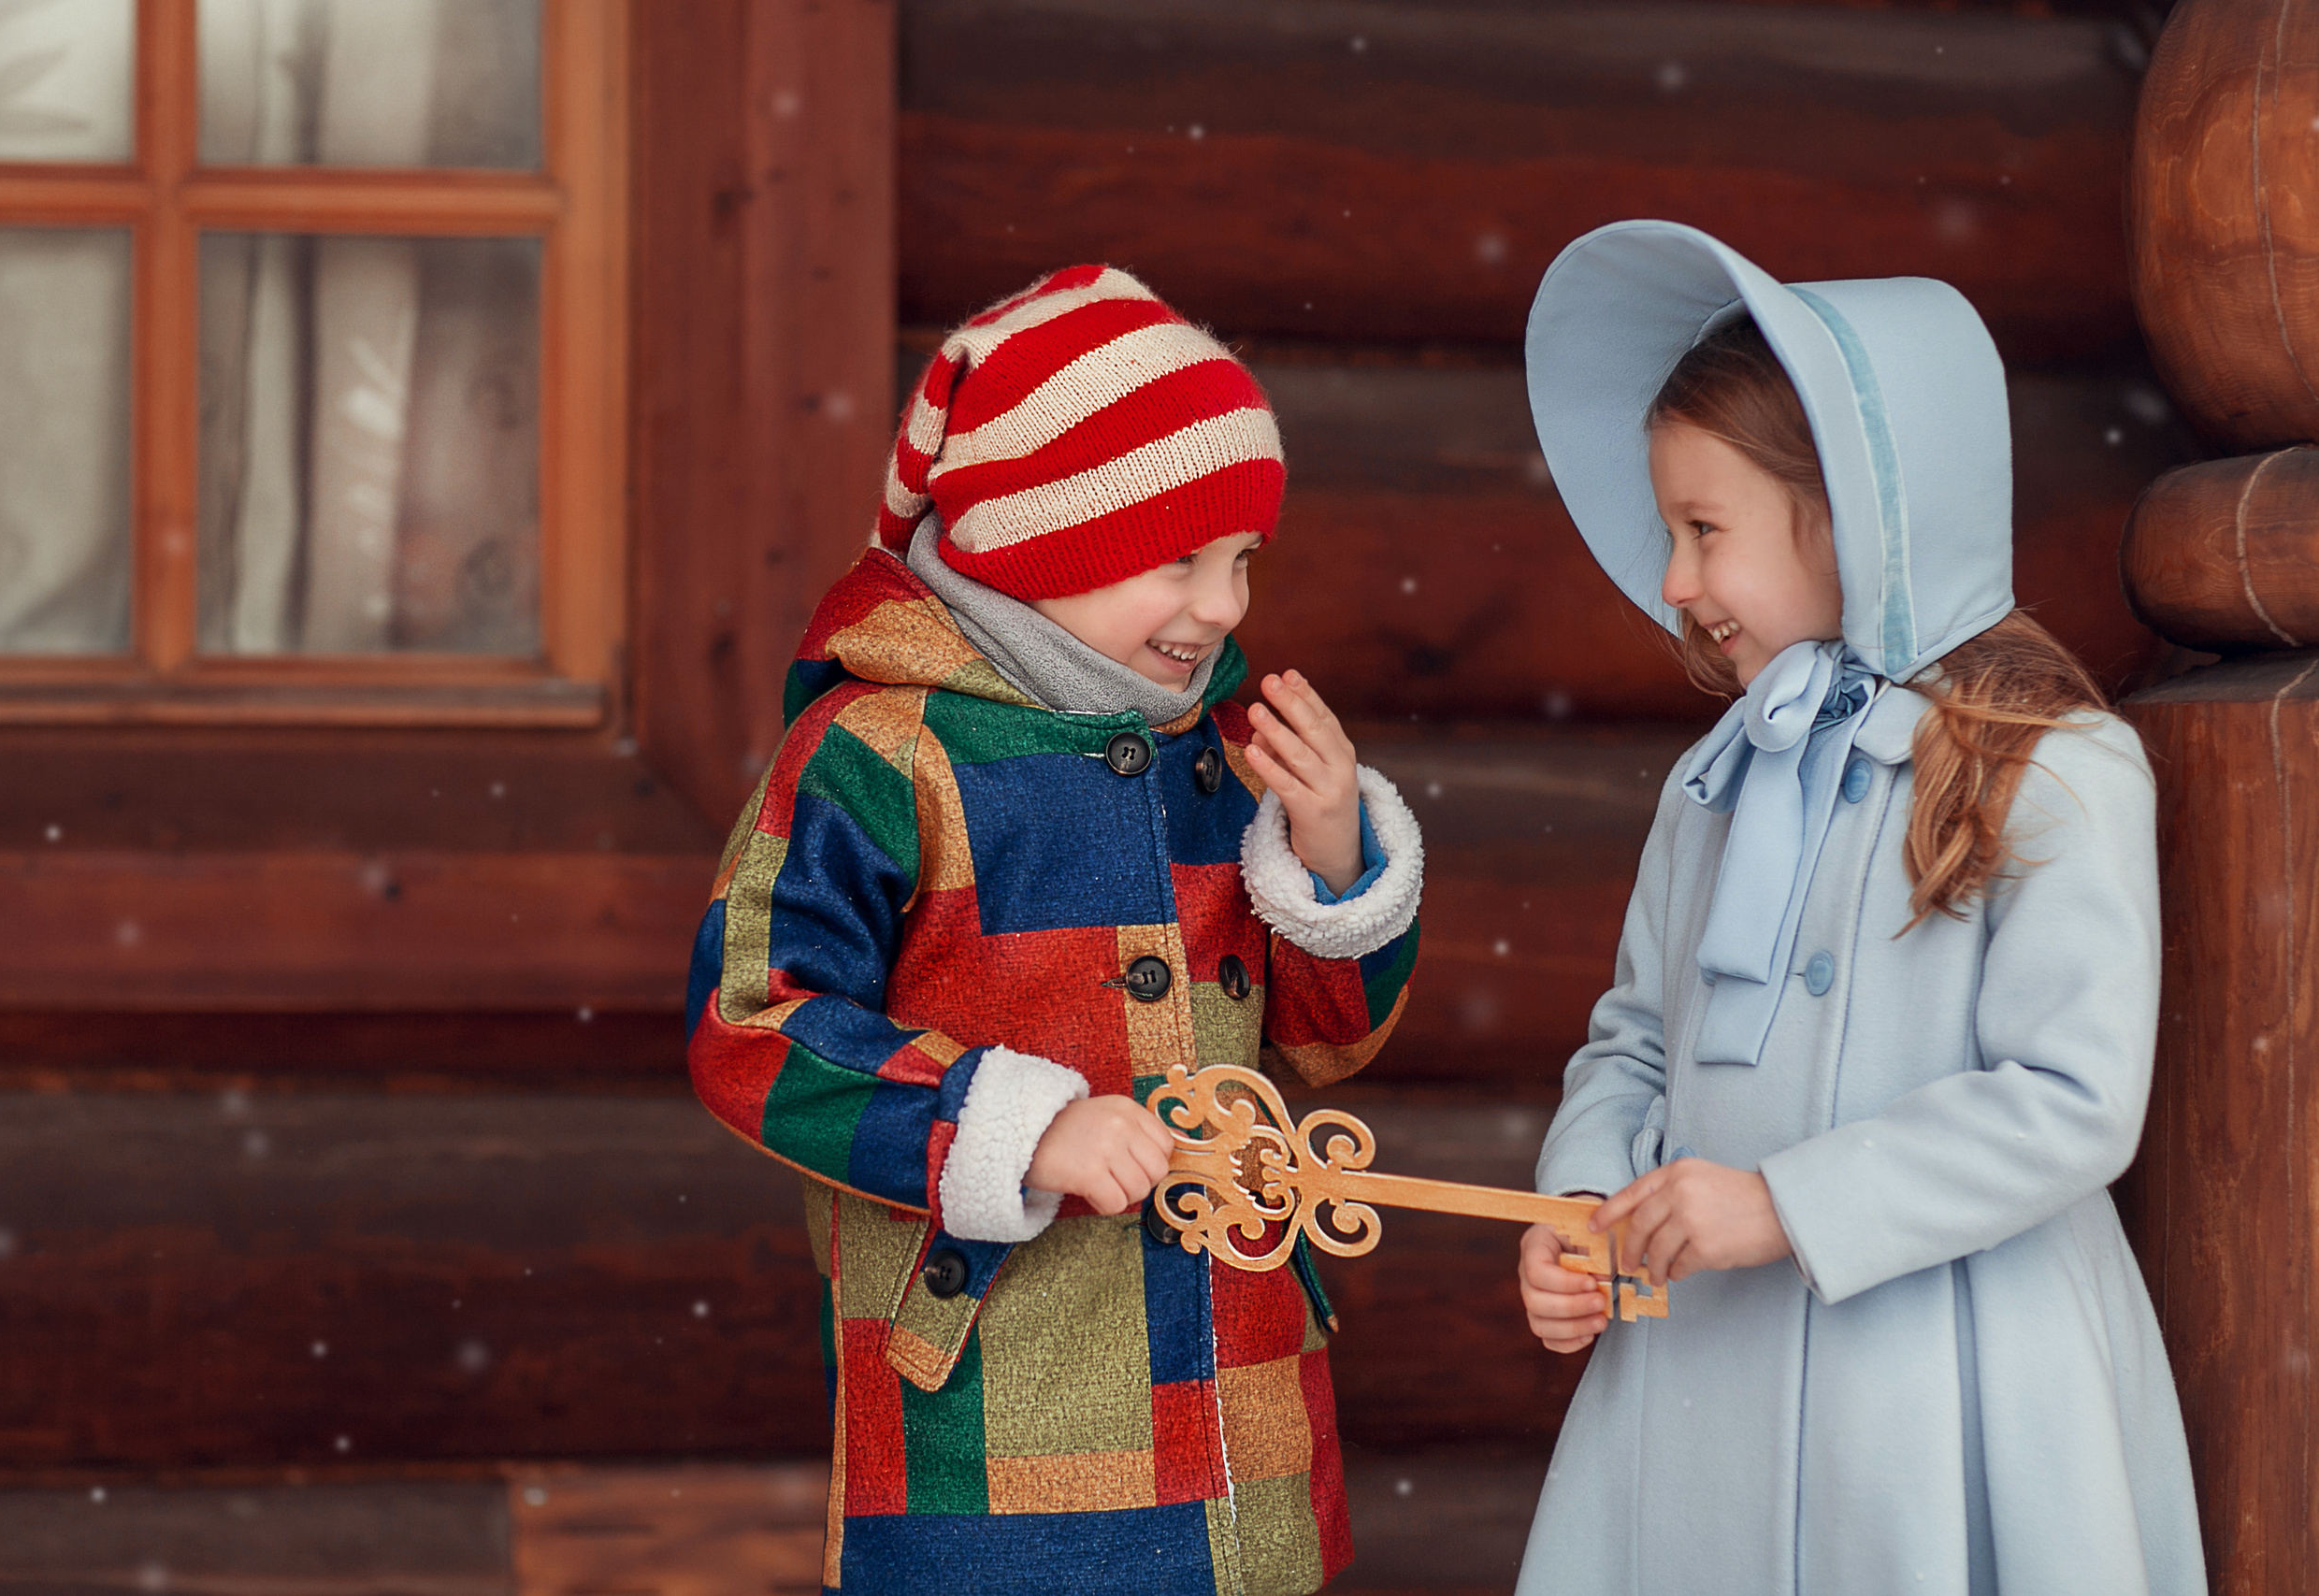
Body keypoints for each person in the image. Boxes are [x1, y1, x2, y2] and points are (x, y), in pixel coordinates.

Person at [685, 264, 1422, 1596]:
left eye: (1245, 560)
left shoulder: (1222, 758)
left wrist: (1330, 866)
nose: (1226, 608)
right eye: (1181, 561)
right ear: (1036, 546)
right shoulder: (880, 752)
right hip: (995, 1407)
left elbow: (1325, 1052)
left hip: (1240, 1402)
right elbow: (754, 1022)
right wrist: (1011, 1128)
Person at [1511, 222, 2204, 1595]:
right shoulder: (1714, 786)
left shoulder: (2055, 772)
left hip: (1951, 1394)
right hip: (1701, 1383)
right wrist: (1583, 1202)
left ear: (1852, 513)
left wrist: (1788, 1204)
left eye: (1705, 531)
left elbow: (2072, 1096)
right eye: (1670, 534)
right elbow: (1634, 1043)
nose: (1674, 583)